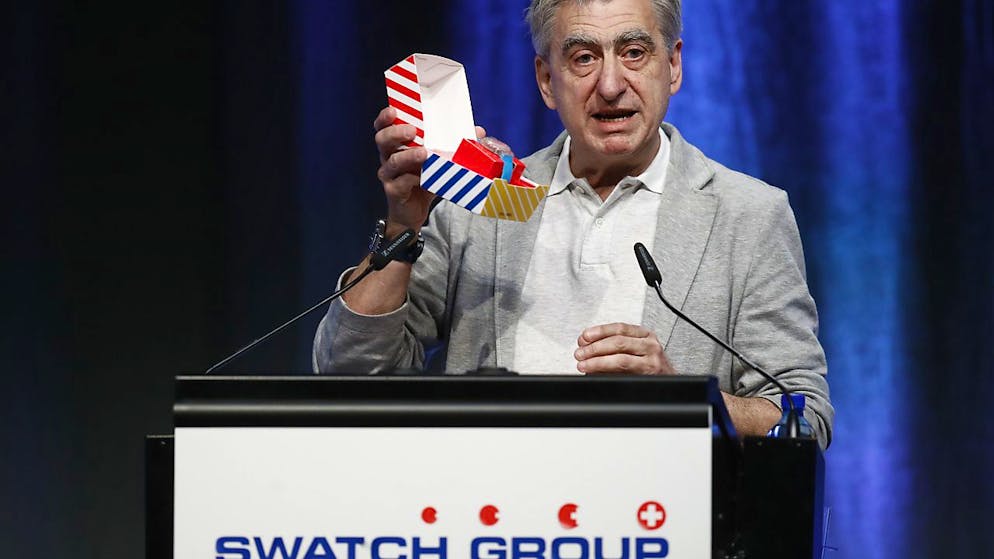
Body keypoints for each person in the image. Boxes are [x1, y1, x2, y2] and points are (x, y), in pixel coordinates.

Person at [313, 0, 833, 448]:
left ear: (673, 66)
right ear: (546, 80)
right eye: (583, 58)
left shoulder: (749, 215)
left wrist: (683, 400)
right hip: (491, 509)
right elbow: (349, 374)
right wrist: (404, 225)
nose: (610, 85)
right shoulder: (480, 205)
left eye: (634, 52)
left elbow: (804, 417)